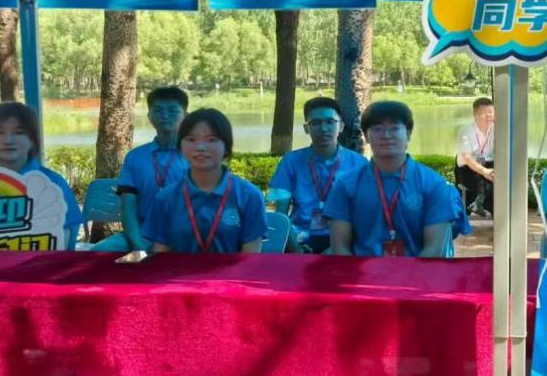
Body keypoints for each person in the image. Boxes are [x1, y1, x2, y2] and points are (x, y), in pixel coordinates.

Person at [326, 101, 457, 257]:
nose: (386, 136)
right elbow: (340, 249)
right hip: (361, 271)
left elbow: (434, 249)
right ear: (366, 136)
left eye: (394, 128)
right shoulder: (345, 185)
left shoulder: (433, 184)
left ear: (408, 134)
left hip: (418, 270)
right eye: (377, 129)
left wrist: (407, 273)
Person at [143, 108, 267, 254]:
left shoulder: (249, 196)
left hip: (232, 270)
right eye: (191, 139)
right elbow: (161, 254)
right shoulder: (165, 198)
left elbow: (250, 257)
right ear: (180, 146)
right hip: (179, 269)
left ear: (226, 147)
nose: (200, 147)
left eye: (211, 140)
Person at [92, 86, 190, 252]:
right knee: (99, 252)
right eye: (158, 110)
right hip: (143, 234)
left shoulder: (195, 155)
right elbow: (128, 208)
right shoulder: (135, 157)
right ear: (149, 116)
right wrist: (138, 243)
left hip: (185, 236)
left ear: (186, 116)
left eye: (173, 111)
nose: (165, 115)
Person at [269, 96, 366, 253]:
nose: (324, 129)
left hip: (344, 240)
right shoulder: (291, 162)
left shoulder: (359, 164)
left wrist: (336, 249)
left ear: (341, 126)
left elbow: (364, 216)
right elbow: (280, 214)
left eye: (330, 122)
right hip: (299, 238)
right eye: (316, 123)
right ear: (306, 128)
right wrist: (296, 249)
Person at [0, 102, 83, 250]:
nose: (8, 140)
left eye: (19, 132)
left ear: (32, 139)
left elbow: (66, 236)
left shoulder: (53, 183)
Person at [455, 97, 495, 216]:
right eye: (484, 112)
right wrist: (484, 171)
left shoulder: (497, 129)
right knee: (489, 184)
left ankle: (479, 205)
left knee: (499, 183)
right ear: (475, 114)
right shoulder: (465, 131)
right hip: (467, 169)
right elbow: (467, 158)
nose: (489, 115)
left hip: (488, 165)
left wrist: (488, 171)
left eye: (491, 112)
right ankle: (477, 204)